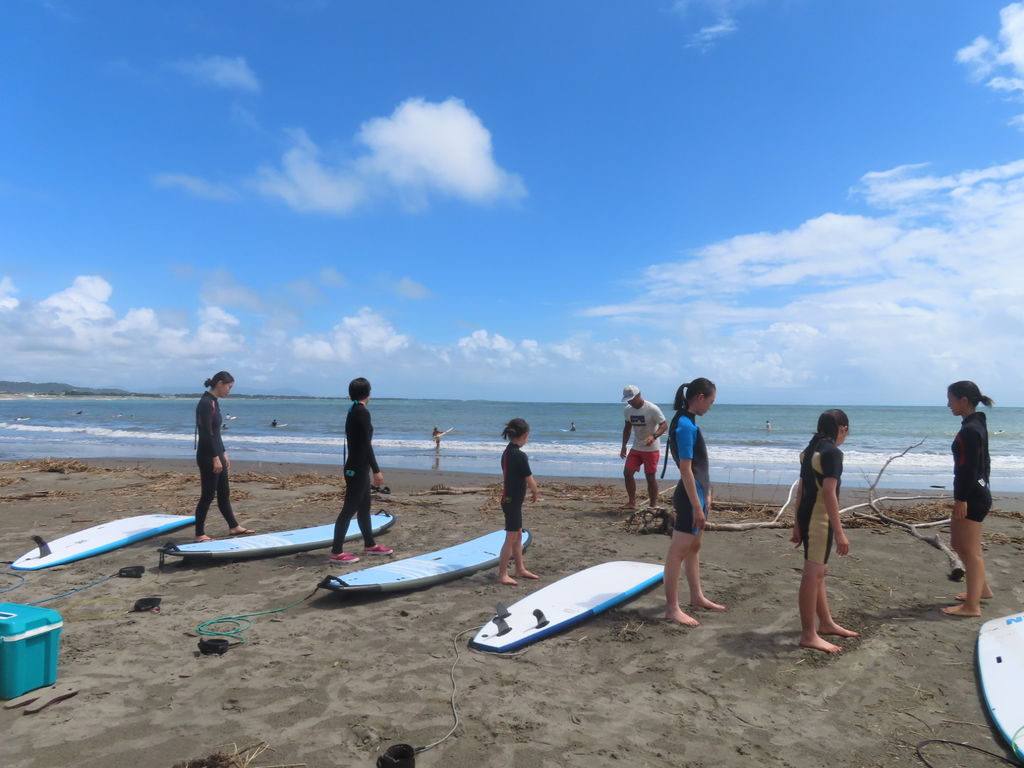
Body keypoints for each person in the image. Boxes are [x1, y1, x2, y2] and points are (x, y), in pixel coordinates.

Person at [790, 409, 858, 652]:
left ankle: (826, 623)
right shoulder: (833, 454)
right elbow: (829, 493)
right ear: (842, 429)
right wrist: (840, 533)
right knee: (813, 574)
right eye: (846, 432)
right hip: (820, 521)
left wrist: (797, 523)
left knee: (818, 572)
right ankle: (809, 634)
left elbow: (801, 490)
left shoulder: (811, 449)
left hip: (808, 517)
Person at [664, 378, 725, 626]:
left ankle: (697, 596)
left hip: (698, 494)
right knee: (677, 552)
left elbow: (700, 469)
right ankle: (672, 608)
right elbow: (687, 470)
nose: (711, 406)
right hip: (690, 498)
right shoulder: (685, 426)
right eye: (710, 401)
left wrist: (707, 494)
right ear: (700, 397)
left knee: (694, 547)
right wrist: (697, 506)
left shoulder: (686, 419)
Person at [942, 380, 994, 618]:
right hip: (976, 492)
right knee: (960, 545)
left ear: (963, 400)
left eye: (951, 399)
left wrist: (962, 498)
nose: (948, 404)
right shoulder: (976, 424)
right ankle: (981, 590)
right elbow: (985, 465)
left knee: (969, 551)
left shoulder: (971, 430)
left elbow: (969, 468)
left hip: (971, 496)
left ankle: (972, 606)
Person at [329, 377, 394, 563]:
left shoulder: (354, 410)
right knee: (349, 509)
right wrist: (376, 470)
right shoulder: (361, 412)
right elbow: (366, 445)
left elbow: (361, 444)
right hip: (357, 468)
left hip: (356, 466)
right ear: (368, 393)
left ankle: (370, 545)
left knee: (364, 508)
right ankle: (336, 552)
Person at [193, 371, 254, 543]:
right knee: (207, 496)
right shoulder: (206, 403)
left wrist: (224, 452)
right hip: (207, 455)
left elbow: (216, 433)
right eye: (229, 387)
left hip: (216, 453)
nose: (229, 390)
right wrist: (214, 457)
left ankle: (233, 526)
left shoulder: (214, 402)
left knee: (224, 493)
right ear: (220, 383)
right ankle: (199, 534)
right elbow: (206, 433)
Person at [498, 417, 539, 585]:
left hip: (510, 499)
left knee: (518, 535)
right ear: (526, 435)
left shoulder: (507, 452)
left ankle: (520, 569)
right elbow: (529, 479)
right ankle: (502, 574)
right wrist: (536, 491)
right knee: (511, 537)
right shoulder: (520, 456)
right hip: (512, 501)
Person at [620, 385, 667, 509]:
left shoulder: (652, 408)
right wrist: (624, 446)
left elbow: (664, 425)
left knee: (650, 477)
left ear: (639, 395)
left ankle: (652, 505)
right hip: (637, 447)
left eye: (632, 399)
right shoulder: (628, 410)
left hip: (651, 449)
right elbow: (627, 428)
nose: (630, 401)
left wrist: (654, 436)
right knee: (627, 473)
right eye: (628, 399)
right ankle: (631, 502)